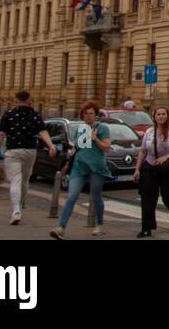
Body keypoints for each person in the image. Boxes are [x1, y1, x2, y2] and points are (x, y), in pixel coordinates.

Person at [49, 101, 112, 239]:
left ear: (95, 115)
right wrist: (69, 160)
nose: (88, 116)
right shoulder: (81, 128)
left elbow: (106, 147)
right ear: (82, 115)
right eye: (85, 113)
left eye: (91, 113)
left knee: (96, 196)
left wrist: (95, 139)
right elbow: (77, 147)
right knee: (72, 196)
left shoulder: (102, 128)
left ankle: (99, 225)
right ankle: (61, 228)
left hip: (96, 167)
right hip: (79, 167)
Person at [0, 90, 56, 225]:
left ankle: (16, 210)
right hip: (30, 151)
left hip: (13, 151)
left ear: (16, 100)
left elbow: (0, 135)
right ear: (29, 100)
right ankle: (19, 206)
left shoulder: (9, 115)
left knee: (15, 180)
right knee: (25, 180)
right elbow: (43, 131)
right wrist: (51, 145)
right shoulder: (34, 115)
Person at [133, 105, 169, 237]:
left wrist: (167, 157)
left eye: (164, 114)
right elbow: (143, 151)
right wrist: (137, 169)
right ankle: (147, 228)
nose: (161, 116)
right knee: (147, 198)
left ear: (167, 116)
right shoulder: (149, 131)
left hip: (168, 167)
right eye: (158, 114)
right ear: (154, 117)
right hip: (150, 167)